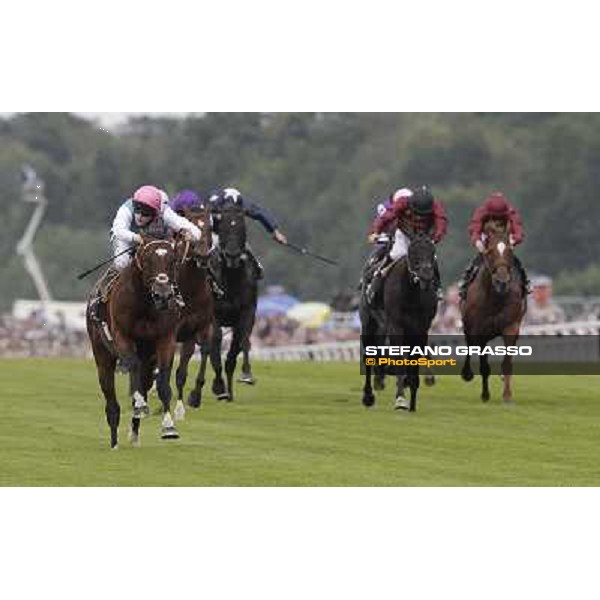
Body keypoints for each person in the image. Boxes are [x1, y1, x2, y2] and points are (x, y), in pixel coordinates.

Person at [93, 185, 202, 321]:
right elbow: (118, 230)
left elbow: (192, 228)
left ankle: (173, 292)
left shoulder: (164, 211)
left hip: (150, 239)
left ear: (156, 212)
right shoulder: (126, 209)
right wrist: (136, 238)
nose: (139, 216)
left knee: (165, 258)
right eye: (137, 209)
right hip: (126, 237)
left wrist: (191, 234)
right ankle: (103, 291)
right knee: (122, 262)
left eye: (146, 213)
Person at [364, 185, 447, 304]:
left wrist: (435, 239)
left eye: (423, 215)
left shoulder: (436, 207)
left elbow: (441, 224)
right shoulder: (402, 203)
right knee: (397, 255)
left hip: (424, 237)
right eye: (417, 213)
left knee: (431, 258)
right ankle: (376, 283)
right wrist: (375, 231)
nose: (419, 217)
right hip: (405, 235)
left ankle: (437, 287)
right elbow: (386, 217)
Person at [459, 192, 529, 300]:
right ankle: (464, 287)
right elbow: (475, 227)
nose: (498, 218)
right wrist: (478, 242)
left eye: (500, 216)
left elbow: (518, 229)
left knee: (517, 264)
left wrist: (514, 239)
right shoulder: (482, 211)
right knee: (475, 264)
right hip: (488, 243)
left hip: (505, 242)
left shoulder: (511, 212)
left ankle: (525, 286)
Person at [208, 187, 288, 280]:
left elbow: (260, 213)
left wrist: (276, 232)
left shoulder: (243, 204)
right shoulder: (213, 204)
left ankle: (256, 264)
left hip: (232, 232)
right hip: (215, 231)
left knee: (241, 241)